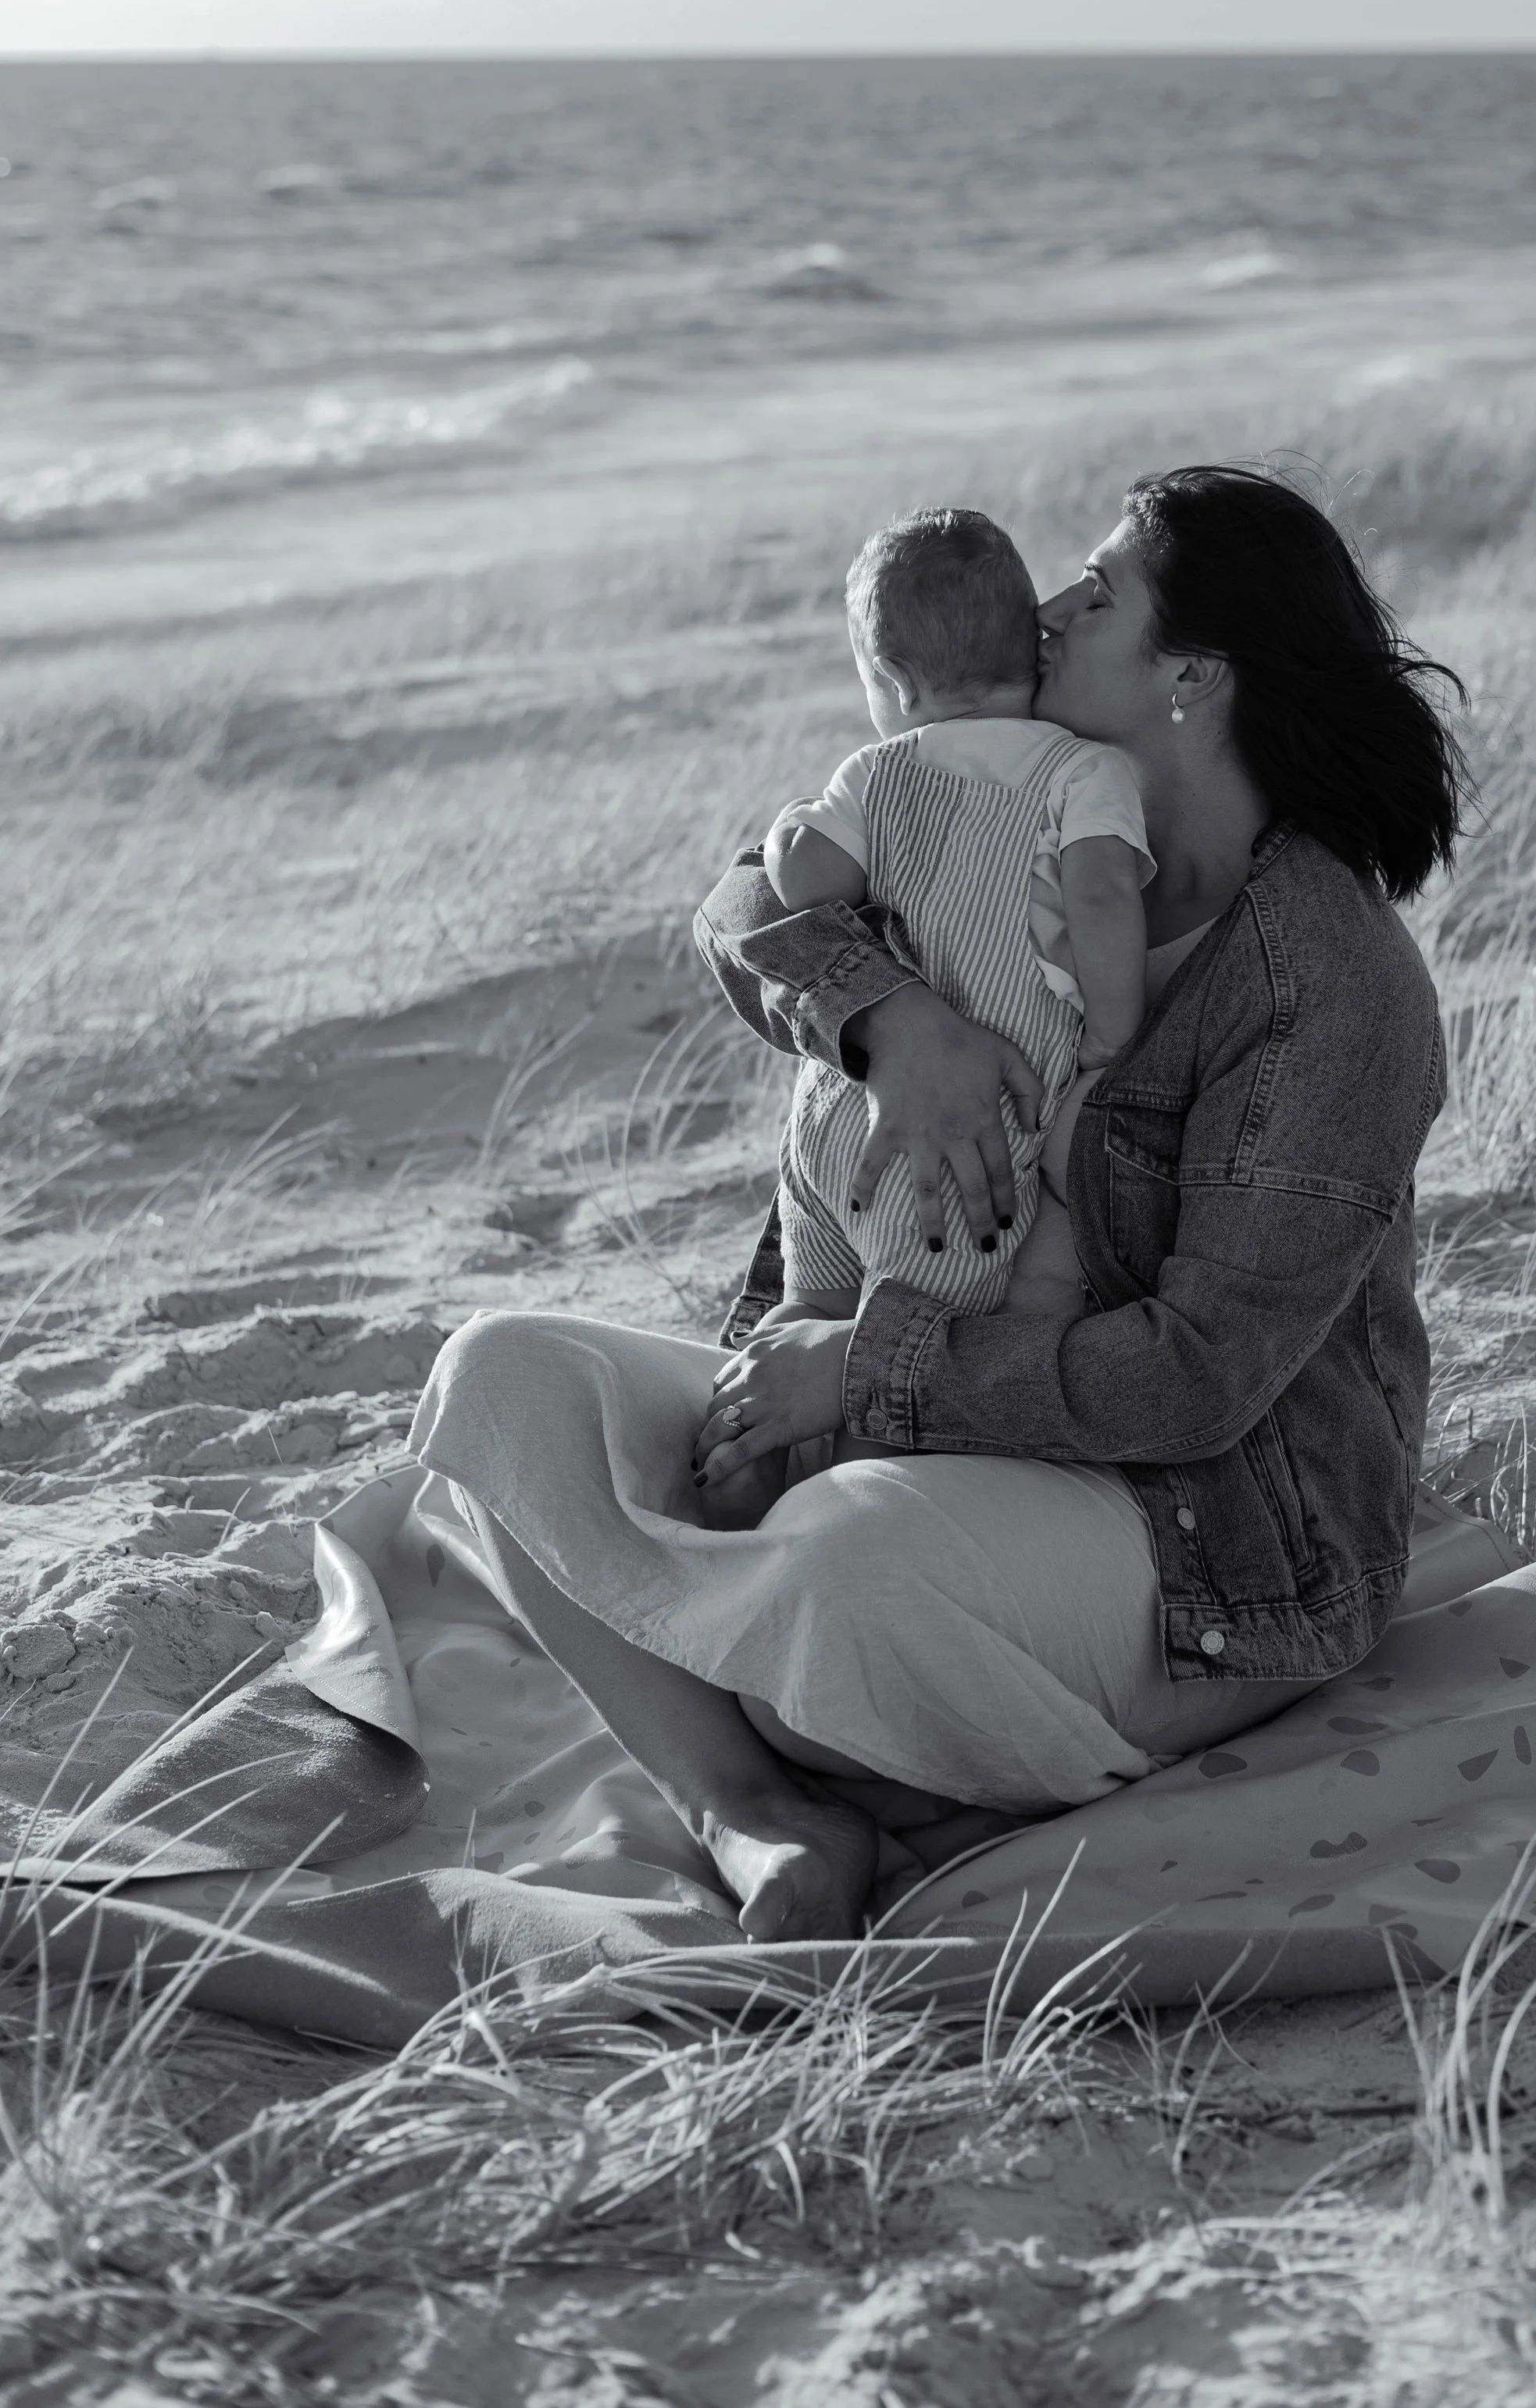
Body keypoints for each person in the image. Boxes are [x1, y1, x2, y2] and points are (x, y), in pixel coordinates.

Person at [408, 464, 1466, 1944]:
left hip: (1195, 1548)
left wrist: (867, 1369)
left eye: (1097, 596)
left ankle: (786, 1669)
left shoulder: (1326, 981)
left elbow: (1197, 1381)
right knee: (498, 1383)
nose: (1041, 610)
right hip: (911, 1443)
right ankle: (755, 1809)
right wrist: (895, 1027)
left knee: (845, 1558)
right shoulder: (988, 788)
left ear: (1192, 680)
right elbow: (742, 906)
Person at [748, 504, 1150, 1379]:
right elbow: (1103, 890)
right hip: (968, 1144)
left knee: (802, 1318)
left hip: (832, 1118)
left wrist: (788, 831)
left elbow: (804, 886)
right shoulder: (1085, 773)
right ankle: (853, 1501)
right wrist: (1113, 1035)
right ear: (1031, 648)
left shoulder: (872, 772)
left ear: (892, 680)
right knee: (885, 1361)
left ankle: (743, 1473)